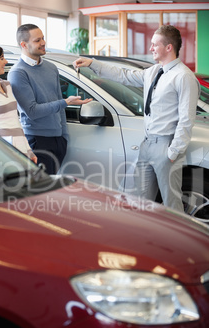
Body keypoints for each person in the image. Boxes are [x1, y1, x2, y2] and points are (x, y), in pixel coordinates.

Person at [73, 25, 200, 213]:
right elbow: (123, 76)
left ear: (168, 47)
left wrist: (173, 153)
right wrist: (92, 63)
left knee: (172, 205)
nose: (150, 49)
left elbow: (186, 120)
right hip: (147, 145)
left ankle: (176, 241)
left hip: (166, 146)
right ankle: (149, 240)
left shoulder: (183, 77)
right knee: (142, 204)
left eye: (154, 45)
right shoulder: (154, 71)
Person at [8, 24, 92, 175]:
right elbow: (32, 111)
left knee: (52, 186)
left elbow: (58, 103)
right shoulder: (18, 73)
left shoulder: (51, 67)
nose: (43, 43)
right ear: (24, 45)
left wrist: (63, 137)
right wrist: (66, 102)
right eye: (37, 40)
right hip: (36, 140)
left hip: (58, 139)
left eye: (43, 38)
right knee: (41, 190)